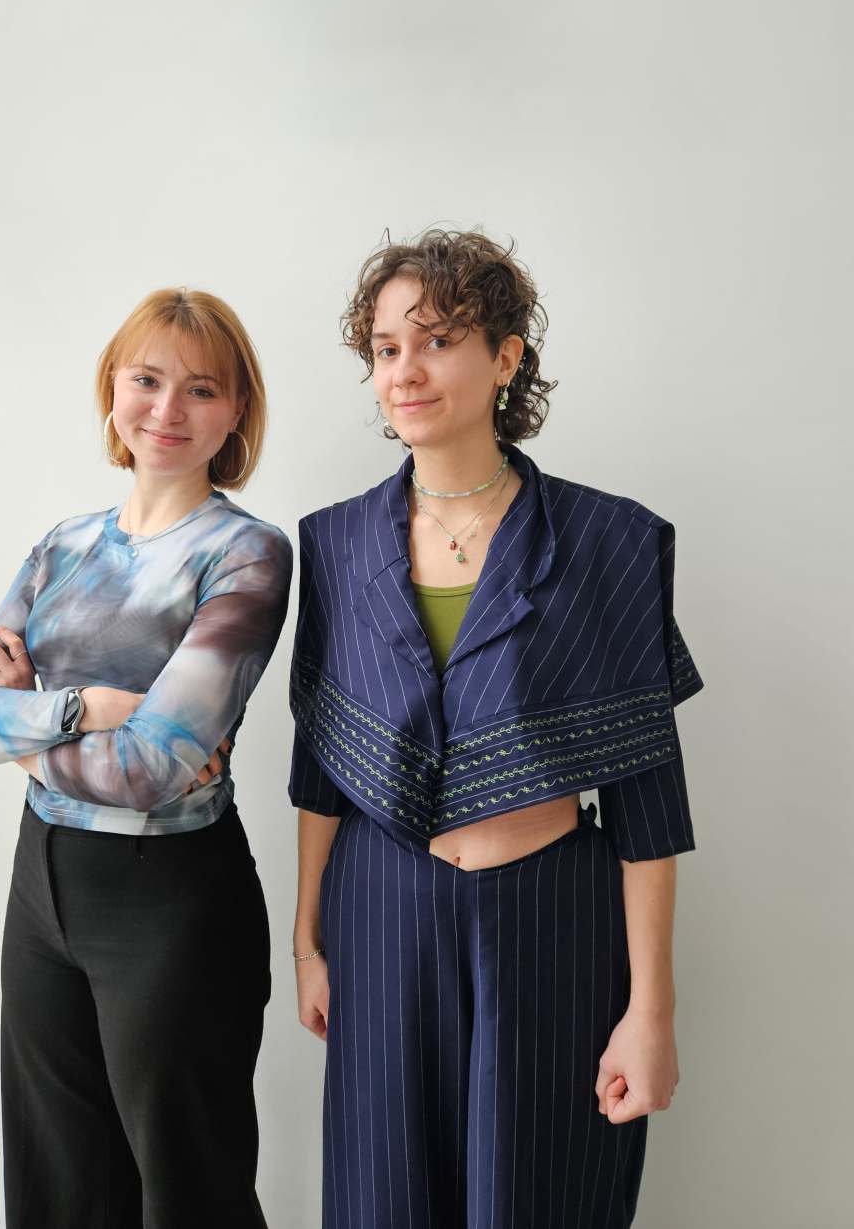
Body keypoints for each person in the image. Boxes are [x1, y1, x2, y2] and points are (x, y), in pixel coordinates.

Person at [288, 230, 704, 1228]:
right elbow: (319, 769)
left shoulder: (608, 540)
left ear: (506, 357)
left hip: (553, 917)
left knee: (541, 1198)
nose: (405, 371)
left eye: (436, 341)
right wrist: (305, 942)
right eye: (386, 349)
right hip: (380, 913)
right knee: (384, 1199)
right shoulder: (334, 543)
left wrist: (652, 1009)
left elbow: (647, 798)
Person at [0, 287, 291, 1229]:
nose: (168, 409)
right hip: (41, 886)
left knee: (187, 1190)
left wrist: (21, 731)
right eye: (147, 380)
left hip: (170, 897)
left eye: (201, 389)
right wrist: (82, 707)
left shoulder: (247, 555)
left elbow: (147, 774)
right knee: (57, 1184)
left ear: (236, 412)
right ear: (113, 389)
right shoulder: (64, 546)